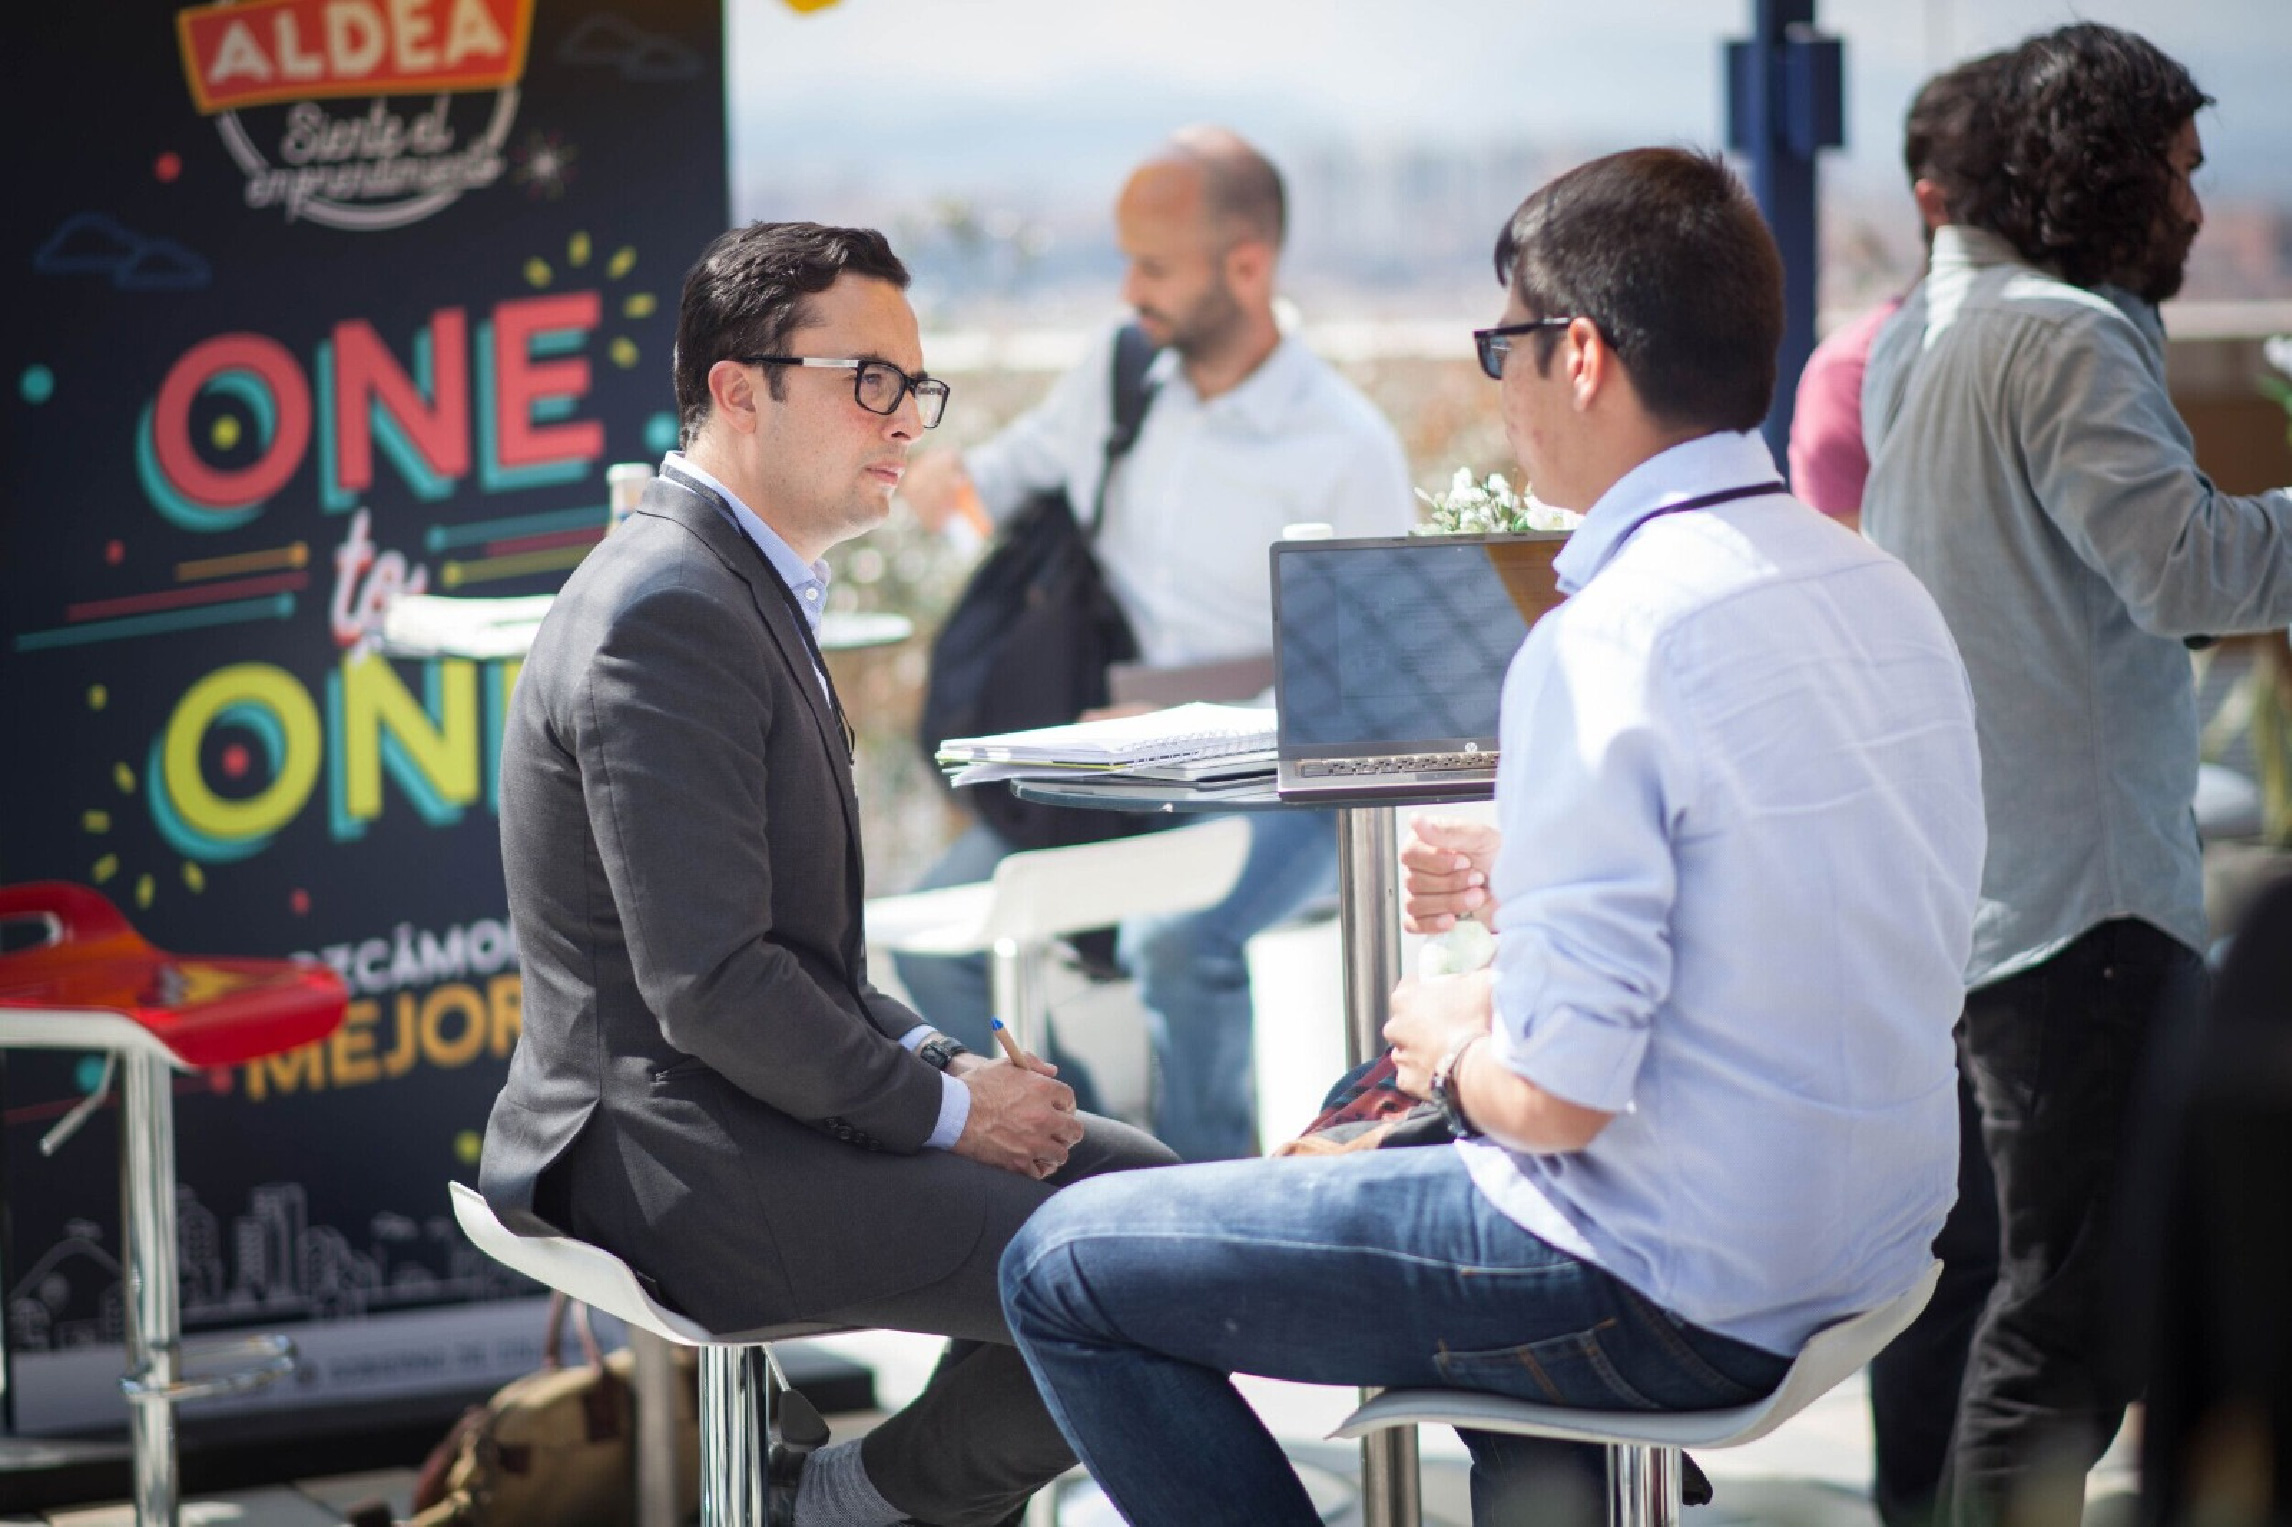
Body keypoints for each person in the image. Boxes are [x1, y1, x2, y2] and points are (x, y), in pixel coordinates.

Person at [998, 146, 1986, 1527]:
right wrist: (1523, 896)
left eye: (1500, 346)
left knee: (1061, 1262)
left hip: (1670, 1278)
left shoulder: (1611, 638)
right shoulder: (1879, 590)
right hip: (1865, 1239)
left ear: (1578, 355)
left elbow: (1563, 1100)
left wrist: (1453, 1042)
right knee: (1403, 1139)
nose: (1496, 388)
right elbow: (1800, 902)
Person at [478, 221, 1175, 1527]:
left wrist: (944, 1061)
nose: (906, 416)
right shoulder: (665, 609)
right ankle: (854, 1505)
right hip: (671, 1155)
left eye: (916, 384)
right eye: (870, 379)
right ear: (738, 389)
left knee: (1135, 1189)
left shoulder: (732, 580)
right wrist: (954, 1114)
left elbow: (799, 960)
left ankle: (855, 1498)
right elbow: (715, 986)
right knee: (1149, 1263)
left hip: (738, 1109)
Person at [1860, 24, 2292, 1525]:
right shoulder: (2065, 337)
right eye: (2178, 170)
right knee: (2068, 1331)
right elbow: (2185, 568)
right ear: (2107, 174)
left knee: (1988, 1293)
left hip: (1982, 900)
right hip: (2088, 914)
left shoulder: (1927, 331)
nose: (2195, 206)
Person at [896, 125, 1413, 1162]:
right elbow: (1001, 482)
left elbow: (1369, 690)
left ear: (1247, 266)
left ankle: (1209, 1208)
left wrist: (1194, 727)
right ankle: (1103, 1155)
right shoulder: (1119, 368)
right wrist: (939, 480)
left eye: (1156, 266)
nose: (1130, 289)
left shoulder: (1346, 447)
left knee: (1176, 943)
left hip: (1281, 781)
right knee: (934, 930)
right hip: (1109, 761)